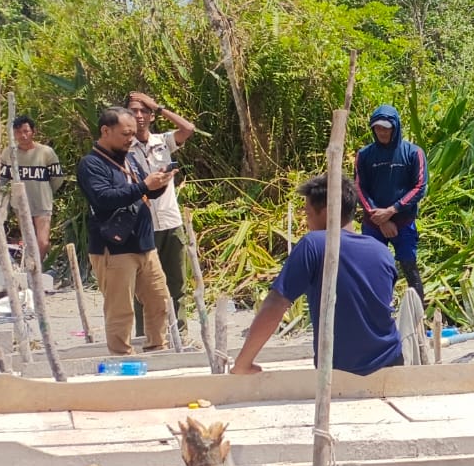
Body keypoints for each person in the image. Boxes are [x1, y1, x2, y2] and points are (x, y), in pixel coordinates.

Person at [230, 173, 403, 377]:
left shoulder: (315, 244)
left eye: (308, 214)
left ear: (326, 211)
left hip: (340, 373)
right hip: (392, 364)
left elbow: (275, 305)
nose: (307, 221)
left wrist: (242, 364)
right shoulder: (382, 251)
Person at [77, 106, 175, 355]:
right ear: (105, 131)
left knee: (159, 301)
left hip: (144, 244)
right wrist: (144, 185)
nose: (130, 138)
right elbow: (103, 198)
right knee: (121, 310)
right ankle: (121, 357)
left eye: (133, 133)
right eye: (125, 134)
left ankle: (157, 348)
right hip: (114, 249)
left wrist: (159, 184)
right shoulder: (91, 164)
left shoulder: (130, 158)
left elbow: (144, 191)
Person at [127, 91, 195, 336]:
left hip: (170, 221)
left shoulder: (162, 142)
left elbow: (188, 129)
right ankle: (146, 335)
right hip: (141, 226)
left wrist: (159, 106)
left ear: (151, 116)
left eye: (144, 111)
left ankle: (181, 333)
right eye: (134, 111)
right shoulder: (123, 149)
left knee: (176, 283)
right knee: (143, 287)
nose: (139, 115)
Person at [355, 104, 427, 306]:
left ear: (395, 127)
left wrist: (392, 210)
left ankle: (417, 319)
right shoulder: (365, 155)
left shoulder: (413, 153)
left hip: (403, 222)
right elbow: (360, 187)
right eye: (378, 128)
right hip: (374, 223)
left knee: (409, 267)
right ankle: (376, 318)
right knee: (373, 270)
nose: (382, 132)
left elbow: (420, 187)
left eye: (386, 127)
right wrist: (378, 217)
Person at [0, 115, 64, 260]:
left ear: (33, 131)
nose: (22, 135)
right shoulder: (9, 153)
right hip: (20, 203)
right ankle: (30, 269)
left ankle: (37, 268)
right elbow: (3, 178)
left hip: (42, 202)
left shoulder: (46, 152)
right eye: (18, 132)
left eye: (26, 131)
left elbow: (57, 178)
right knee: (28, 238)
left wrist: (46, 191)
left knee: (42, 241)